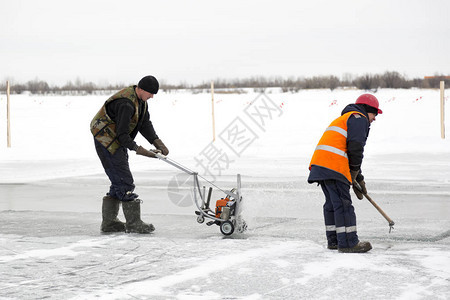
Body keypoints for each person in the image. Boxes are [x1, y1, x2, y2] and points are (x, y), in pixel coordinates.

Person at [90, 75, 169, 234]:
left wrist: (157, 142)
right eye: (150, 93)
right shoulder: (126, 103)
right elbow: (122, 135)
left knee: (118, 180)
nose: (152, 96)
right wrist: (140, 150)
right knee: (124, 181)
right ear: (141, 89)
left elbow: (144, 123)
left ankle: (109, 223)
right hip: (106, 140)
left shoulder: (141, 101)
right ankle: (133, 224)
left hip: (116, 139)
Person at [308, 94, 382, 253]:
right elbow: (355, 148)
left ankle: (335, 241)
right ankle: (348, 243)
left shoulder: (347, 118)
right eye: (375, 113)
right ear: (367, 109)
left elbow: (348, 152)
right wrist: (354, 172)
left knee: (332, 204)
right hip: (334, 166)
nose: (375, 118)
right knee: (343, 204)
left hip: (322, 165)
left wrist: (358, 178)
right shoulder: (358, 118)